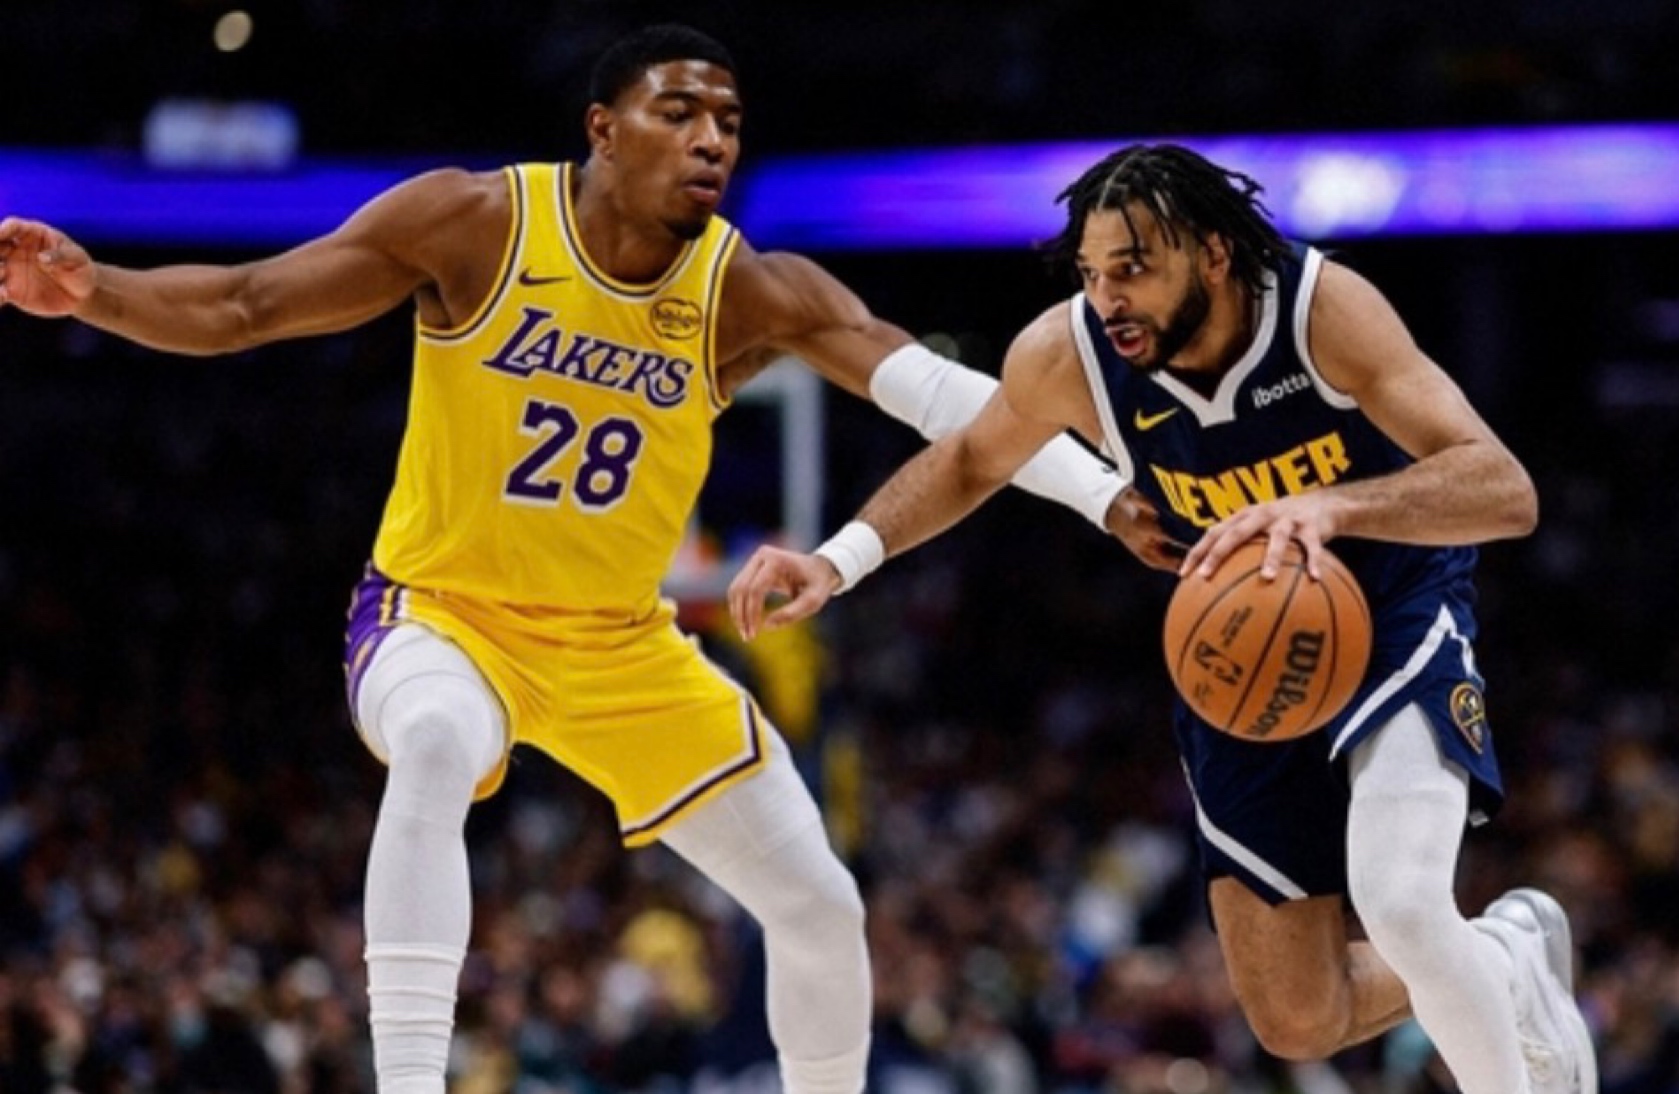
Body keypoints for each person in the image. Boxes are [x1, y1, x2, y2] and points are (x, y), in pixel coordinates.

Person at [0, 25, 1171, 1094]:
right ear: (603, 129)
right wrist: (95, 290)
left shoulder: (748, 289)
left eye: (729, 122)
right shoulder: (476, 222)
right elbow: (247, 303)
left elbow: (954, 399)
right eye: (680, 112)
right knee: (435, 744)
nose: (712, 139)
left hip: (619, 643)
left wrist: (1104, 493)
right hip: (442, 613)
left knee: (820, 901)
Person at [727, 143, 1600, 1093]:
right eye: (1092, 273)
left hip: (1390, 610)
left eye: (1133, 269)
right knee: (1299, 1017)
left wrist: (1335, 506)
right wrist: (836, 560)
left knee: (1401, 904)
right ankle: (1507, 951)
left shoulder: (1319, 310)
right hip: (1241, 658)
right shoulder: (1070, 353)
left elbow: (1503, 489)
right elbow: (973, 460)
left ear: (1213, 255)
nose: (1108, 298)